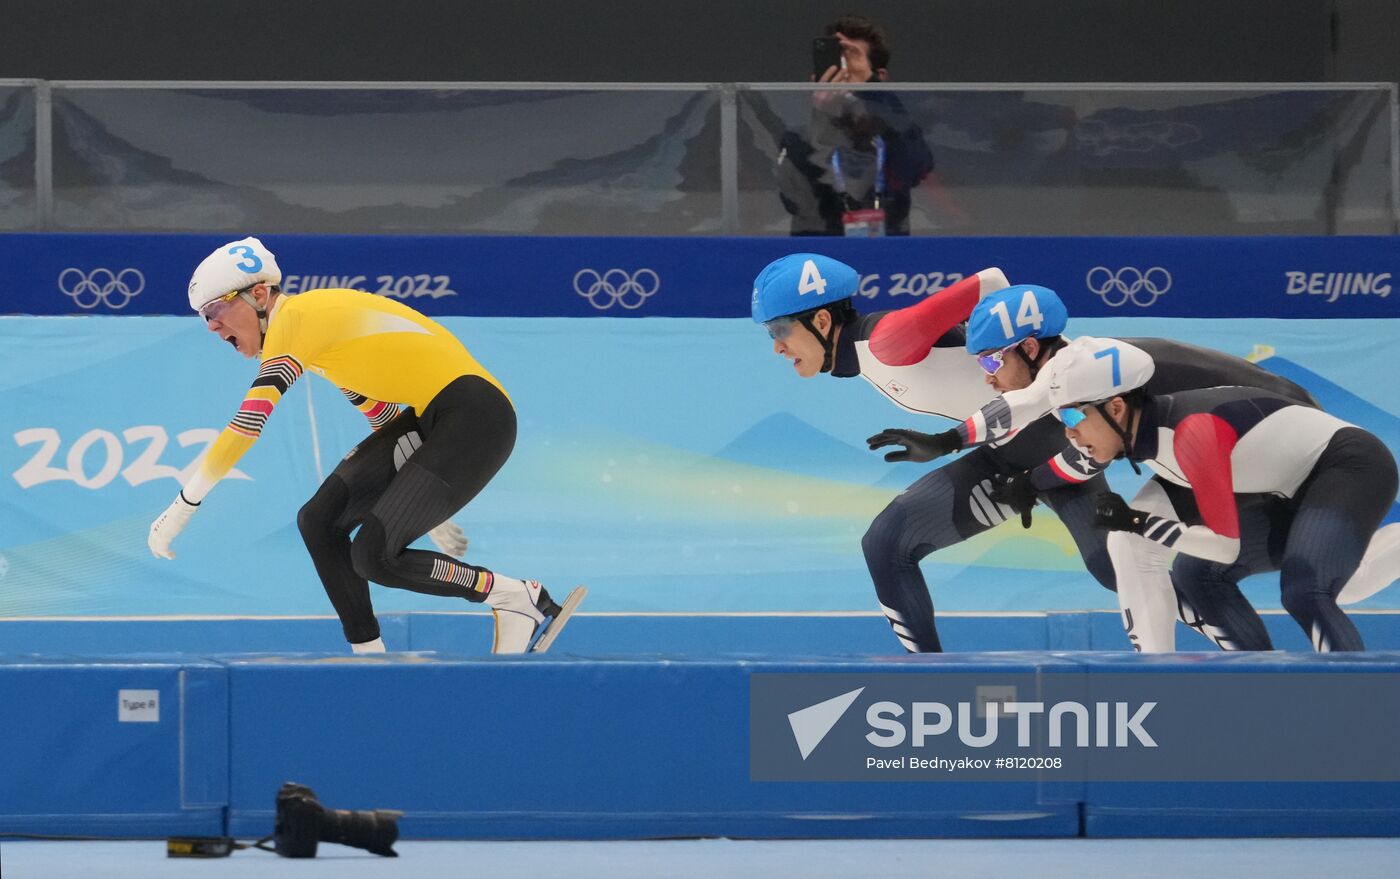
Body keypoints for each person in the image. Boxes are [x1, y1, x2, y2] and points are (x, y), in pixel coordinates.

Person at [146, 237, 585, 654]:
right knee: (319, 521)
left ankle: (516, 597)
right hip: (437, 420)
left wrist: (185, 505)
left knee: (374, 556)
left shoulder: (298, 320)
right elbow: (383, 416)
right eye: (203, 316)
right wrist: (420, 505)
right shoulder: (313, 335)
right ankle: (369, 656)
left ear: (260, 295)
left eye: (216, 308)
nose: (211, 326)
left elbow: (247, 425)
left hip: (475, 417)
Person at [870, 286, 1327, 652]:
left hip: (1278, 432)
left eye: (990, 360)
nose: (986, 376)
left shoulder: (1084, 377)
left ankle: (1256, 674)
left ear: (1030, 347)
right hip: (1243, 431)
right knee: (1131, 557)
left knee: (1175, 566)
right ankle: (1195, 672)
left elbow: (1079, 449)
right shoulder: (1073, 369)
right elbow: (1023, 410)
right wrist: (954, 446)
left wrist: (975, 455)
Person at [753, 253, 1119, 652]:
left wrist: (1045, 372)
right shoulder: (870, 354)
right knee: (886, 542)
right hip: (1001, 455)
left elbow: (992, 282)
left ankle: (1192, 641)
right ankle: (929, 677)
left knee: (1114, 568)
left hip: (1056, 448)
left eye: (778, 330)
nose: (777, 347)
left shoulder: (887, 340)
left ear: (821, 321)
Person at [1045, 340, 1400, 651]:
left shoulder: (1191, 434)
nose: (1069, 432)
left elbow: (1225, 546)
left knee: (1306, 590)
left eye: (1072, 414)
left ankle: (1351, 707)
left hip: (1351, 465)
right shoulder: (1146, 440)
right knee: (1196, 572)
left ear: (1117, 407)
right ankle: (1255, 681)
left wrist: (1138, 522)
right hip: (1289, 488)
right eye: (1059, 417)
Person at [775, 14, 936, 237]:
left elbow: (915, 169)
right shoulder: (797, 138)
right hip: (822, 263)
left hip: (887, 262)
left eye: (851, 71)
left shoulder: (893, 135)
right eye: (835, 70)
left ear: (879, 77)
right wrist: (824, 119)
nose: (842, 80)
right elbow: (797, 201)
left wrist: (873, 91)